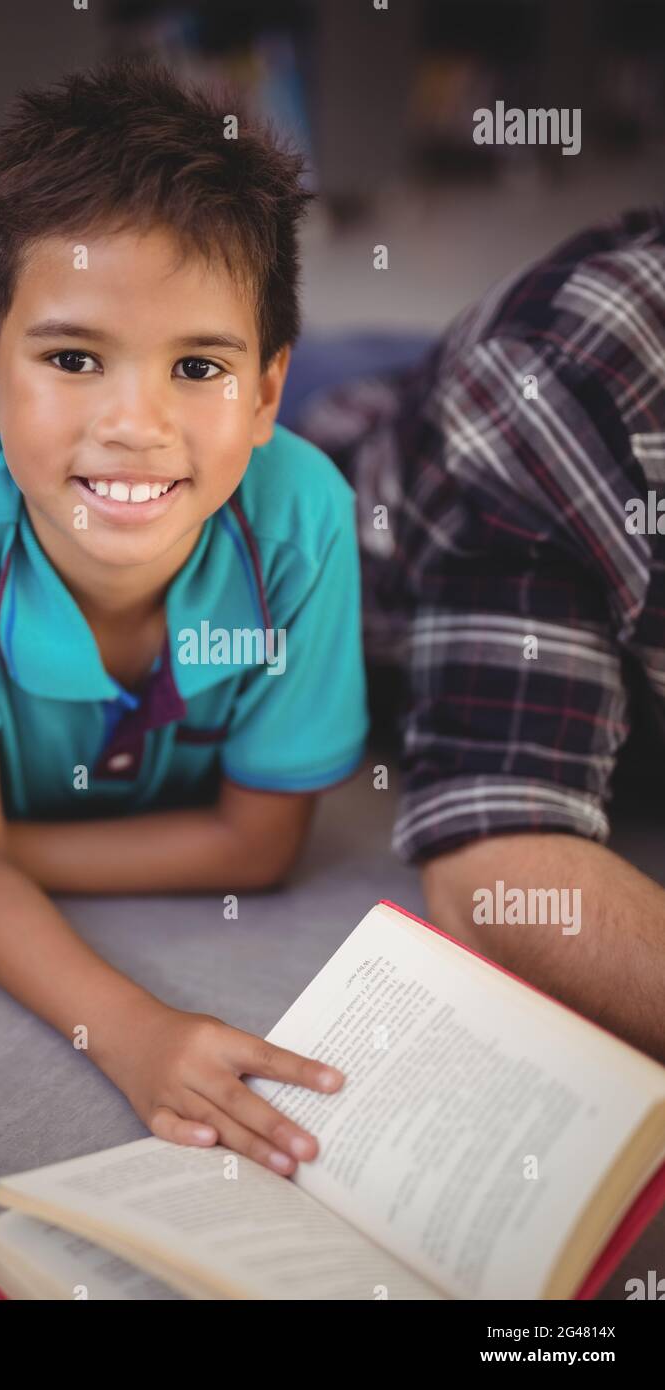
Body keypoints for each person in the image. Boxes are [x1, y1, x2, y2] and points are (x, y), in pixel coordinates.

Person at [0, 59, 371, 1174]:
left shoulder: (304, 516)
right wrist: (132, 1028)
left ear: (264, 395)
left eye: (197, 365)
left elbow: (255, 847)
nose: (134, 423)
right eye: (73, 356)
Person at [298, 206, 665, 1064]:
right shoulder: (576, 377)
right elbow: (492, 865)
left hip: (443, 377)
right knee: (160, 346)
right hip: (365, 460)